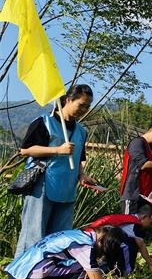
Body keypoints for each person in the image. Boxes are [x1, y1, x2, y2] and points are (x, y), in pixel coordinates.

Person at [15, 85, 96, 259]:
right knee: (33, 238)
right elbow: (26, 150)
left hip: (67, 190)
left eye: (87, 107)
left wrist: (82, 175)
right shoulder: (44, 122)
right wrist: (58, 150)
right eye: (81, 105)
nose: (83, 110)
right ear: (68, 100)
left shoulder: (81, 131)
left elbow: (78, 158)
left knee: (60, 241)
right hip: (42, 188)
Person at [5, 225, 128, 279]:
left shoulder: (77, 234)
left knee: (55, 265)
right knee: (84, 268)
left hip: (15, 277)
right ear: (101, 240)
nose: (101, 254)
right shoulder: (84, 245)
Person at [85, 204, 152, 273]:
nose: (150, 226)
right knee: (131, 245)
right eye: (151, 223)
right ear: (144, 217)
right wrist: (151, 265)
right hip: (96, 238)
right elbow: (140, 243)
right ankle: (125, 273)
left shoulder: (129, 217)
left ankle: (111, 269)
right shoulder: (135, 224)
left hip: (92, 234)